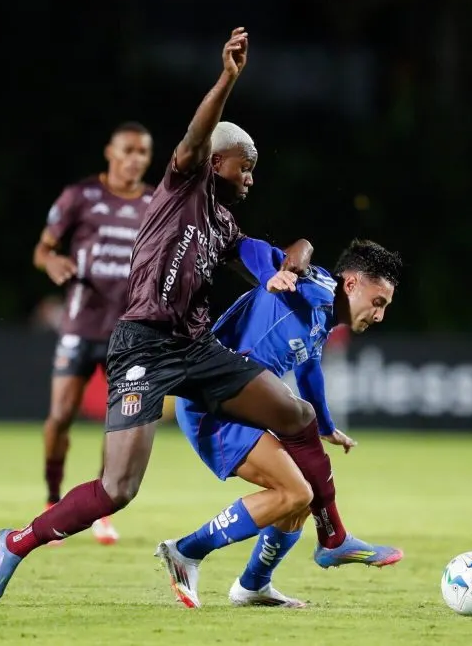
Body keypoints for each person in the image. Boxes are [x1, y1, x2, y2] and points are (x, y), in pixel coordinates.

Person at [0, 27, 333, 608]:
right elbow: (196, 133)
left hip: (198, 350)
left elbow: (268, 254)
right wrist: (227, 80)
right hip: (142, 346)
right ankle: (15, 543)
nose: (251, 177)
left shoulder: (223, 222)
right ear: (216, 162)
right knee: (118, 490)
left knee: (297, 412)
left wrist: (290, 262)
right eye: (245, 167)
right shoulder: (182, 184)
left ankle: (329, 529)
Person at [158, 238, 405, 609]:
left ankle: (254, 585)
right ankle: (186, 551)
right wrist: (284, 269)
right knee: (297, 493)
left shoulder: (321, 317)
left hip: (239, 405)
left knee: (303, 492)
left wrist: (325, 425)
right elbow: (253, 247)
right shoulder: (315, 287)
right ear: (351, 284)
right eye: (378, 302)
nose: (379, 315)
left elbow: (309, 373)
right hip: (211, 406)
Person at [33, 122, 155, 545]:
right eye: (128, 150)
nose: (135, 158)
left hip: (128, 330)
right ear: (110, 151)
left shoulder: (155, 202)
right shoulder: (80, 197)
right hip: (80, 325)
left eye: (143, 152)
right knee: (60, 416)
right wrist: (52, 264)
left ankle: (101, 506)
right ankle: (53, 499)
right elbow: (43, 249)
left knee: (117, 422)